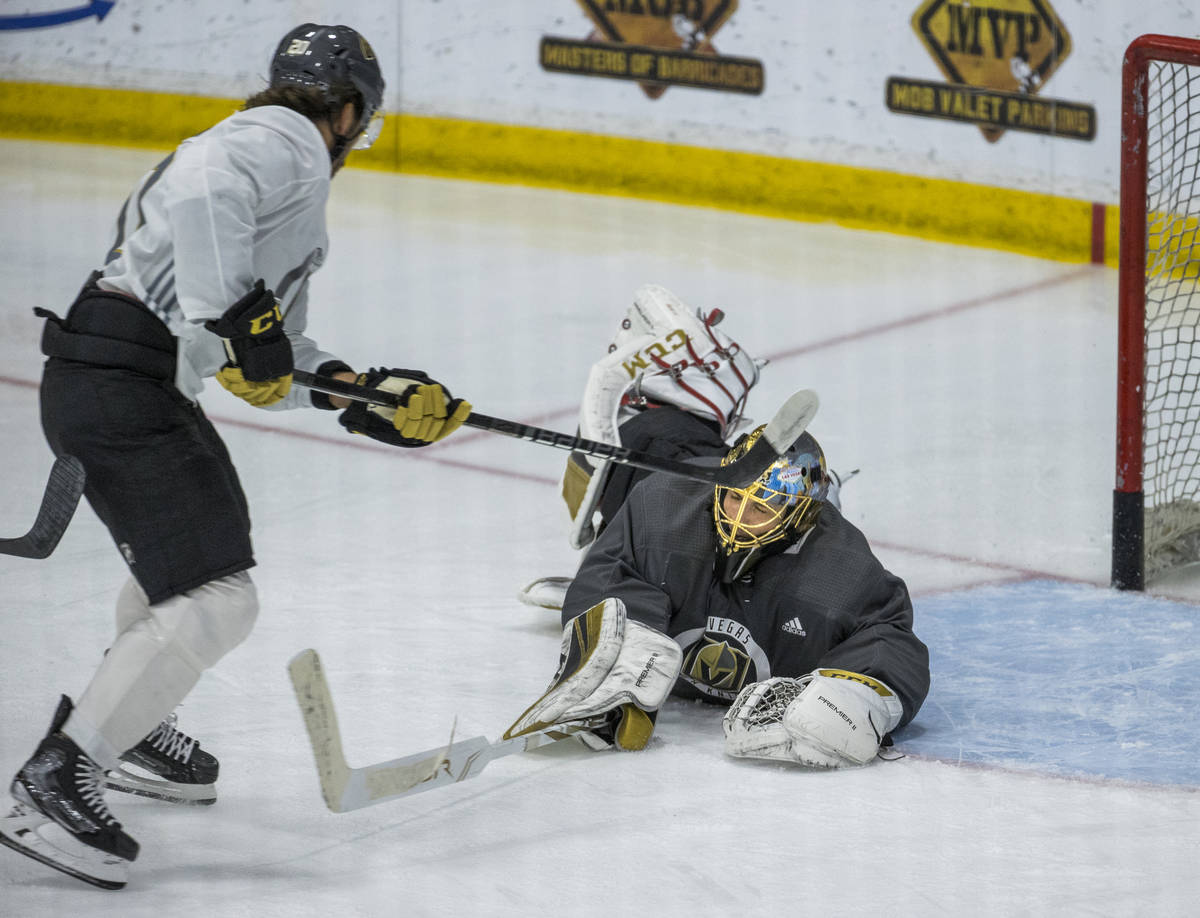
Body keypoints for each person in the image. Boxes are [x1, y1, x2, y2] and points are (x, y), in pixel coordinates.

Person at [0, 24, 470, 890]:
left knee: (187, 577)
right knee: (221, 598)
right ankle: (57, 775)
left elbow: (260, 353)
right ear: (352, 109)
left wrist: (355, 395)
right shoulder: (280, 140)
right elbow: (208, 203)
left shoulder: (279, 183)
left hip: (113, 378)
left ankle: (129, 722)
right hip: (120, 382)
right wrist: (240, 317)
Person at [503, 425, 929, 767]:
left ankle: (826, 492)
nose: (739, 519)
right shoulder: (661, 506)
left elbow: (888, 637)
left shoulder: (841, 574)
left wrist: (858, 696)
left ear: (797, 515)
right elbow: (610, 570)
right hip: (685, 475)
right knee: (647, 437)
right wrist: (617, 636)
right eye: (732, 498)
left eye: (761, 508)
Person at [518, 282, 843, 610]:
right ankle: (816, 491)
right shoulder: (662, 434)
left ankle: (812, 491)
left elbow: (605, 378)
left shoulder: (640, 428)